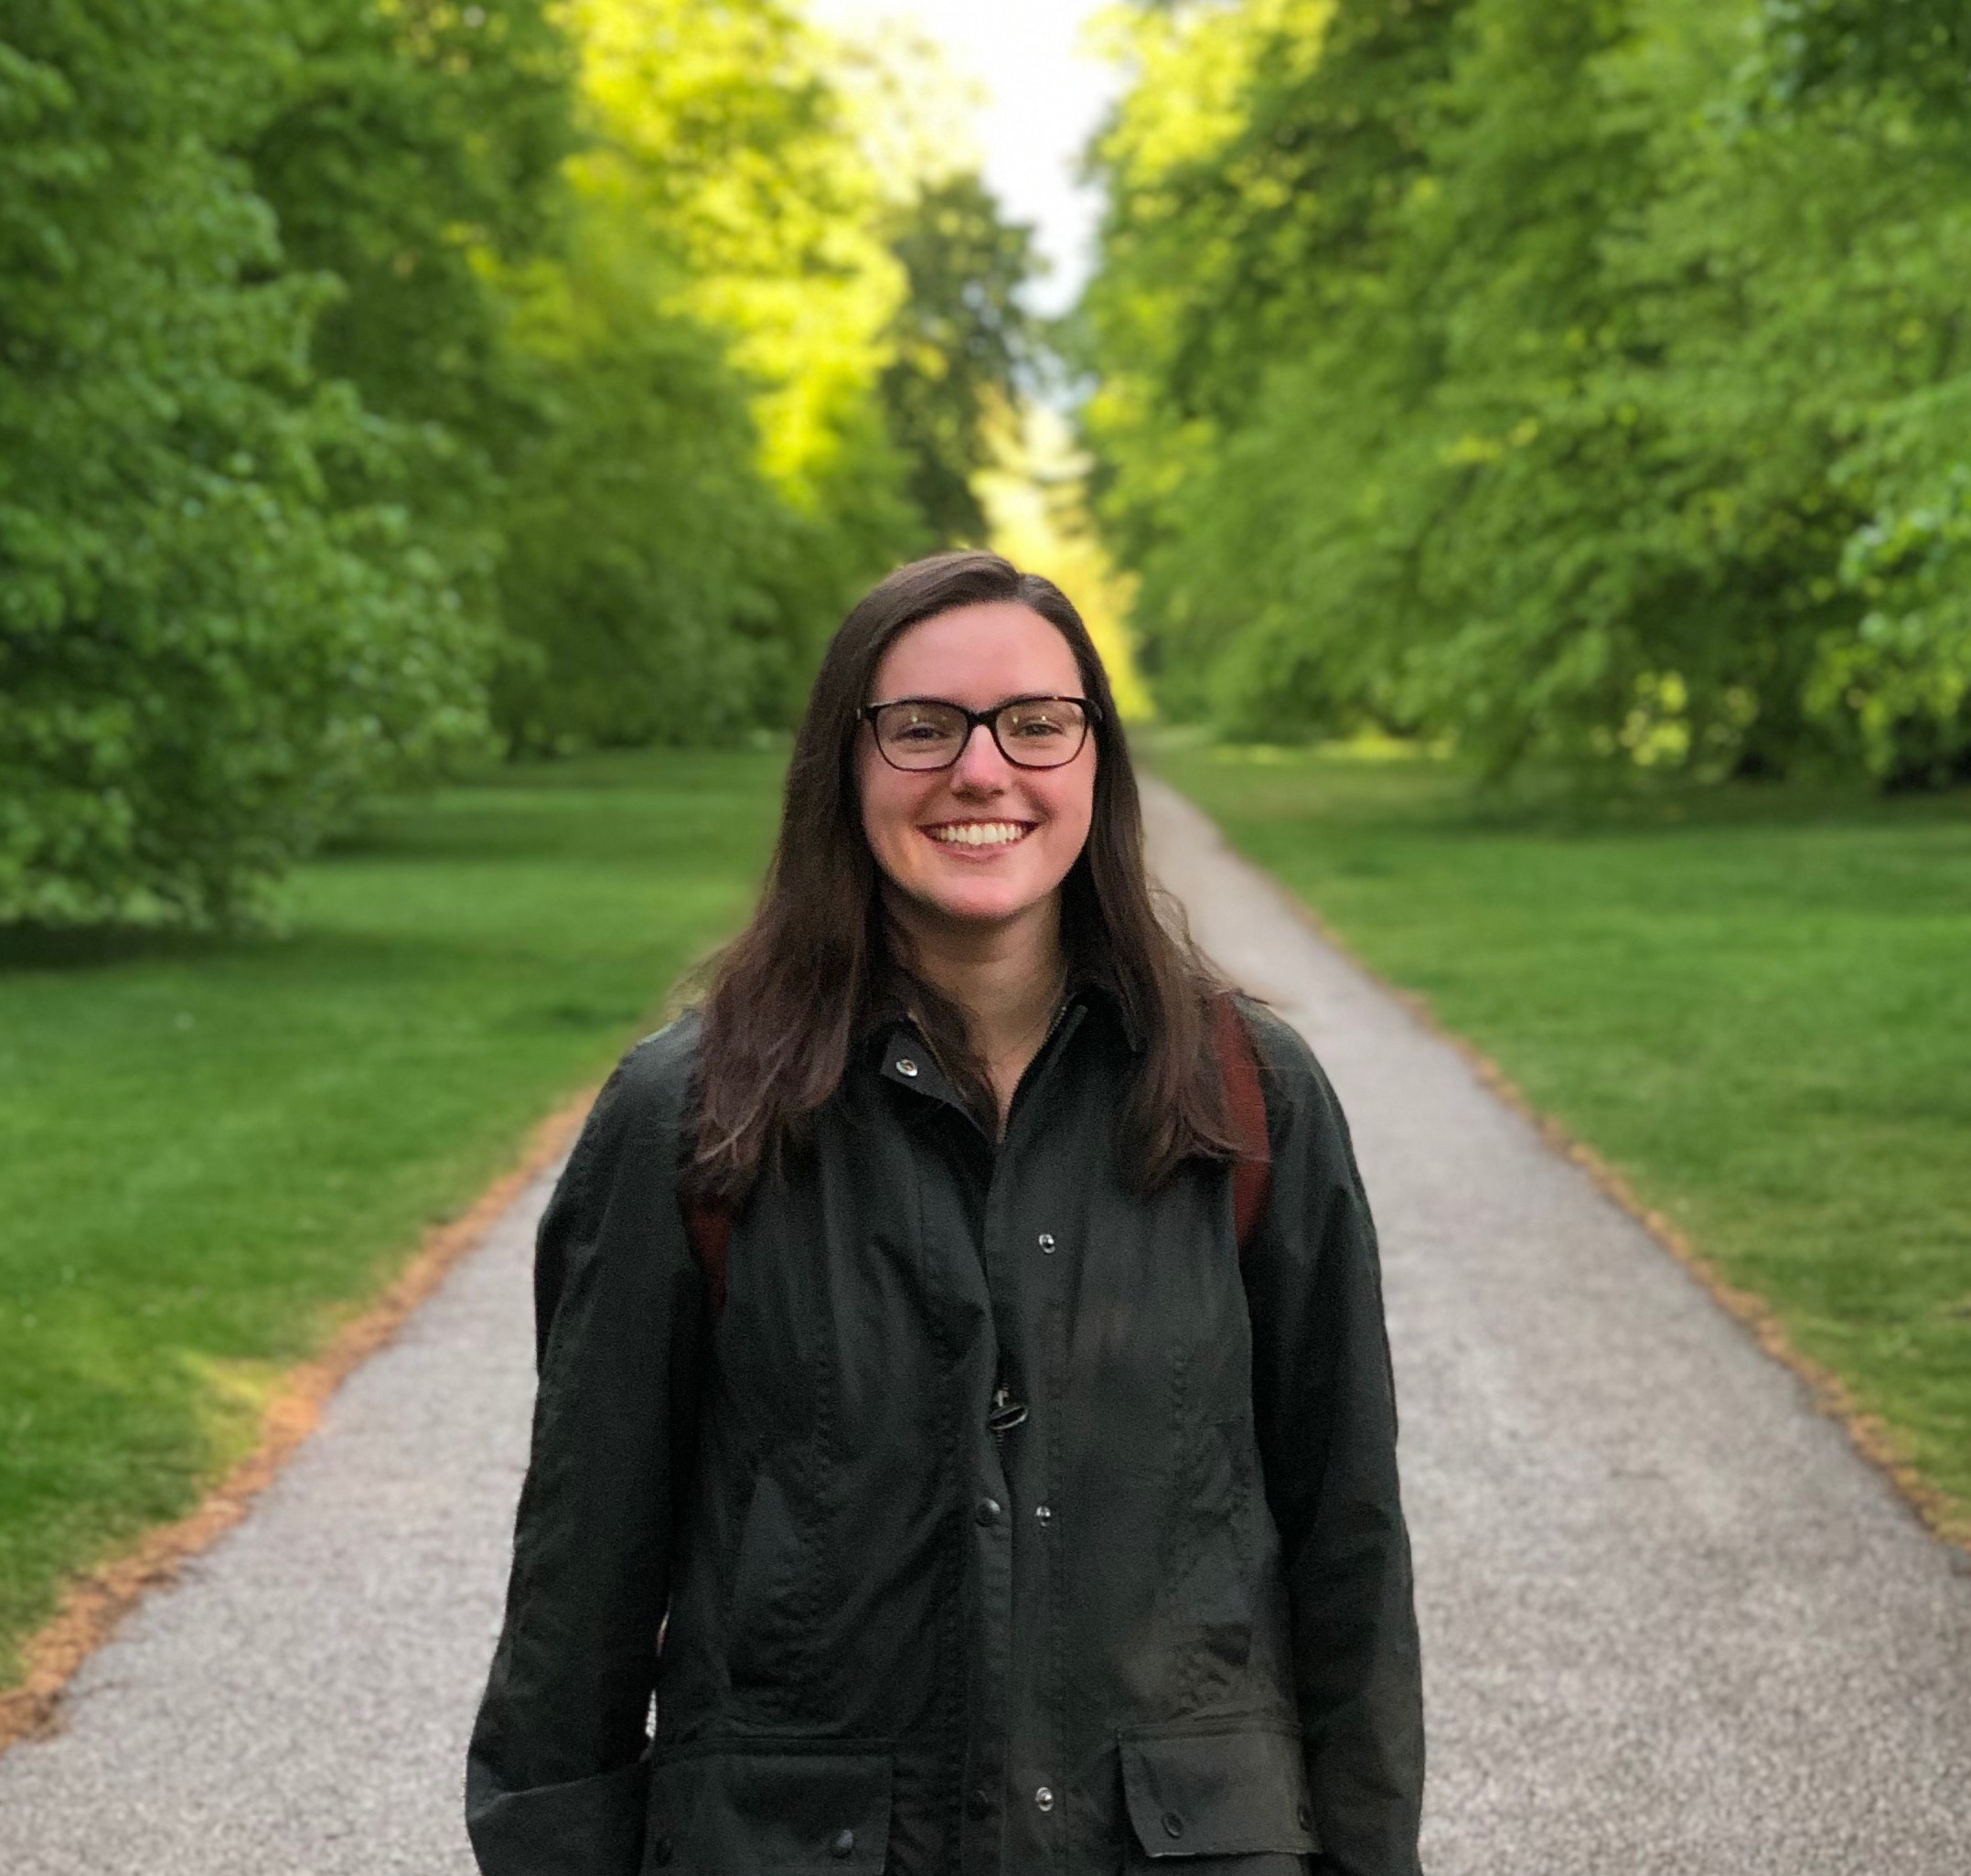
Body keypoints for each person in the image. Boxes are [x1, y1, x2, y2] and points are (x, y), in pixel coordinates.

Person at [465, 551, 1424, 1876]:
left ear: (1097, 760)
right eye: (922, 727)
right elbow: (582, 1578)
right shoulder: (689, 1118)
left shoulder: (1248, 1100)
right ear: (844, 767)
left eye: (1037, 722)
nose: (983, 770)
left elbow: (1348, 1544)